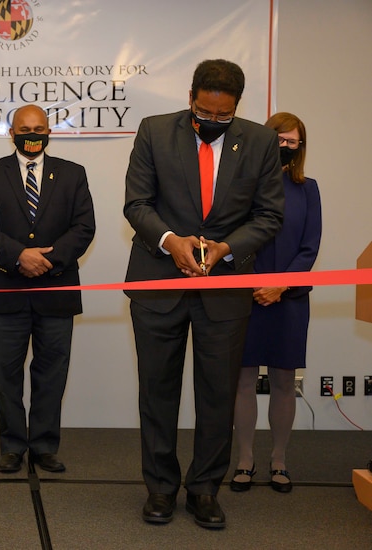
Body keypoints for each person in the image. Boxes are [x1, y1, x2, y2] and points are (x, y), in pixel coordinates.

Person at [123, 59, 284, 529]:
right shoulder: (154, 131)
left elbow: (269, 215)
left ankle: (204, 490)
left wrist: (228, 246)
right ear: (191, 97)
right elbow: (137, 202)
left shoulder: (259, 141)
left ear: (236, 106)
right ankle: (159, 489)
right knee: (157, 391)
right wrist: (170, 241)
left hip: (225, 288)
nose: (212, 122)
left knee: (217, 393)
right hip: (158, 282)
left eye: (223, 116)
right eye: (204, 113)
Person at [0, 104, 95, 474]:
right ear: (11, 133)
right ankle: (12, 446)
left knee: (51, 374)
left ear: (49, 131)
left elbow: (84, 227)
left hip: (56, 289)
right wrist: (17, 256)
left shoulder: (72, 174)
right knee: (7, 375)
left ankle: (45, 446)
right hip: (5, 290)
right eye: (24, 128)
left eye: (39, 128)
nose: (33, 134)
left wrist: (47, 260)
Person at [231, 112, 322, 494]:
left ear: (300, 147)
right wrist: (256, 284)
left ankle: (279, 460)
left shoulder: (308, 188)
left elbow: (309, 247)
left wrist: (280, 286)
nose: (285, 147)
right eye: (278, 140)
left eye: (292, 141)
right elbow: (233, 239)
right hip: (245, 296)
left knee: (285, 381)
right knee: (244, 381)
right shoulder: (242, 186)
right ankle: (246, 460)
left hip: (289, 300)